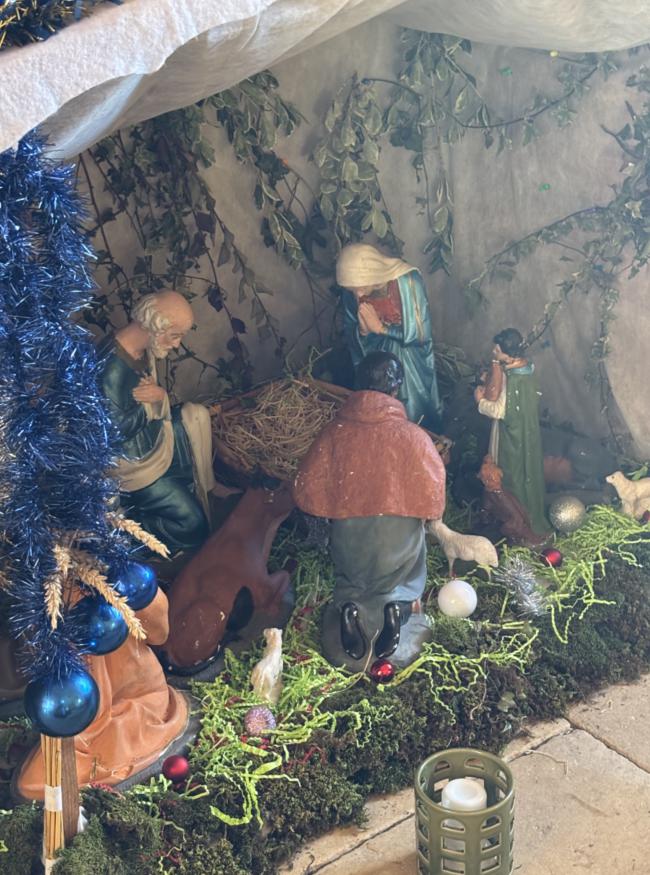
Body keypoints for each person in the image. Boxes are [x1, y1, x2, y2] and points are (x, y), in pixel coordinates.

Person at [293, 351, 446, 672]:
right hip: (397, 536)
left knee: (351, 573)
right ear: (396, 388)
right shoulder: (413, 436)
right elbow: (434, 491)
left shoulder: (334, 433)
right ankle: (398, 606)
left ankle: (350, 605)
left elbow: (306, 485)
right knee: (408, 556)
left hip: (350, 531)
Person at [98, 291, 215, 555]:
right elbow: (112, 432)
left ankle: (201, 489)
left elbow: (154, 398)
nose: (177, 344)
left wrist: (159, 398)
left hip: (154, 442)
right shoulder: (111, 370)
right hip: (134, 467)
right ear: (154, 327)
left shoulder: (142, 349)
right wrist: (151, 407)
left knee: (196, 415)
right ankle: (123, 533)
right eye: (175, 335)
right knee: (193, 525)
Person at [337, 243, 443, 432]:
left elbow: (421, 334)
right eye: (352, 289)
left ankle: (413, 433)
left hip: (408, 360)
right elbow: (351, 330)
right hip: (375, 361)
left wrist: (381, 329)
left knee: (408, 407)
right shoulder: (351, 292)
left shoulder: (408, 282)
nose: (358, 294)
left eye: (361, 287)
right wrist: (362, 332)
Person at [475, 328, 548, 535]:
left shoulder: (512, 379)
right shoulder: (527, 369)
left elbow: (499, 411)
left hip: (510, 436)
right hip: (527, 431)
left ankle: (516, 519)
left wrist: (480, 401)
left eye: (497, 349)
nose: (494, 351)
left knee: (510, 473)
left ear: (508, 353)